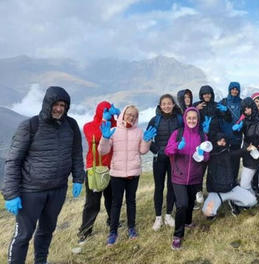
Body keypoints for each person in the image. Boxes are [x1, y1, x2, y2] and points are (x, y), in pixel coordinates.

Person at [2, 86, 85, 264]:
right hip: (31, 191)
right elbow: (13, 161)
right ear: (47, 104)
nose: (59, 108)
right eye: (55, 104)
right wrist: (11, 194)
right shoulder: (30, 126)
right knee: (23, 235)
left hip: (57, 190)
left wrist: (79, 178)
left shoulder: (71, 125)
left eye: (63, 105)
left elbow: (76, 154)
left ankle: (41, 261)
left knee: (47, 230)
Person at [98, 105, 156, 246]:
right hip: (117, 173)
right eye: (128, 114)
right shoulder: (114, 131)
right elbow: (102, 151)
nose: (131, 117)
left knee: (131, 202)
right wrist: (105, 138)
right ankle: (113, 232)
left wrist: (147, 140)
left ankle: (131, 228)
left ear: (136, 118)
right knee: (116, 203)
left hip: (133, 172)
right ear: (123, 114)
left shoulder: (139, 131)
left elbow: (142, 151)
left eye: (134, 116)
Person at [165, 107, 210, 250]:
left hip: (196, 177)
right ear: (185, 118)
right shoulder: (177, 133)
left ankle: (188, 222)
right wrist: (178, 146)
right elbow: (168, 151)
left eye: (194, 118)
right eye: (189, 118)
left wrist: (202, 154)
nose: (191, 120)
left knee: (191, 203)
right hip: (178, 176)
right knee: (182, 205)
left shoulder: (202, 136)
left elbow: (207, 157)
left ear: (198, 120)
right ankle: (178, 235)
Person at [77, 101, 119, 244]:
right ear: (99, 111)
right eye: (104, 110)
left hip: (111, 168)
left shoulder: (115, 126)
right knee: (92, 202)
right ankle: (85, 231)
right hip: (94, 169)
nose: (107, 112)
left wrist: (118, 117)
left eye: (109, 110)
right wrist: (104, 121)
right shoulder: (88, 126)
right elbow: (93, 138)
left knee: (112, 199)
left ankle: (112, 221)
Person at [147, 94, 183, 231]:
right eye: (164, 104)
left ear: (173, 104)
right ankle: (158, 218)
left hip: (174, 158)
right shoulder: (154, 120)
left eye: (169, 103)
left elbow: (183, 136)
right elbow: (148, 139)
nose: (167, 106)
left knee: (172, 187)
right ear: (160, 106)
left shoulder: (179, 119)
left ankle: (168, 215)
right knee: (159, 187)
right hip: (159, 159)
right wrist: (157, 151)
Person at [235, 97, 259, 219]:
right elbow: (241, 139)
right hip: (251, 155)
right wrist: (237, 130)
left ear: (252, 106)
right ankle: (254, 199)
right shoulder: (244, 121)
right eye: (244, 109)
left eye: (248, 107)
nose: (247, 111)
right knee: (244, 184)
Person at [202, 133, 257, 218]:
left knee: (253, 201)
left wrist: (247, 149)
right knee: (207, 212)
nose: (222, 143)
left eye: (224, 141)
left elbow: (238, 152)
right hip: (216, 192)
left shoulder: (228, 153)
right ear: (215, 142)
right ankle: (218, 203)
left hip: (231, 188)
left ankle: (233, 201)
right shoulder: (209, 156)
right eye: (220, 141)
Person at [193, 85, 232, 204]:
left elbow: (228, 119)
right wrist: (195, 108)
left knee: (214, 168)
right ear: (201, 95)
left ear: (212, 94)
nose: (207, 96)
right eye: (204, 94)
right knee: (200, 168)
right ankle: (198, 190)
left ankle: (213, 189)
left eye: (209, 93)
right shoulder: (197, 105)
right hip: (201, 141)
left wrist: (226, 111)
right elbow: (188, 117)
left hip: (215, 142)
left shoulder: (216, 106)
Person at [220, 82, 243, 181]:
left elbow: (247, 115)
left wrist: (241, 125)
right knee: (224, 161)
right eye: (232, 89)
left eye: (236, 89)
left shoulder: (242, 103)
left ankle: (233, 181)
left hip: (237, 137)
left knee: (235, 161)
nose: (234, 91)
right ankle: (224, 182)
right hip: (225, 137)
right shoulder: (223, 102)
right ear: (229, 90)